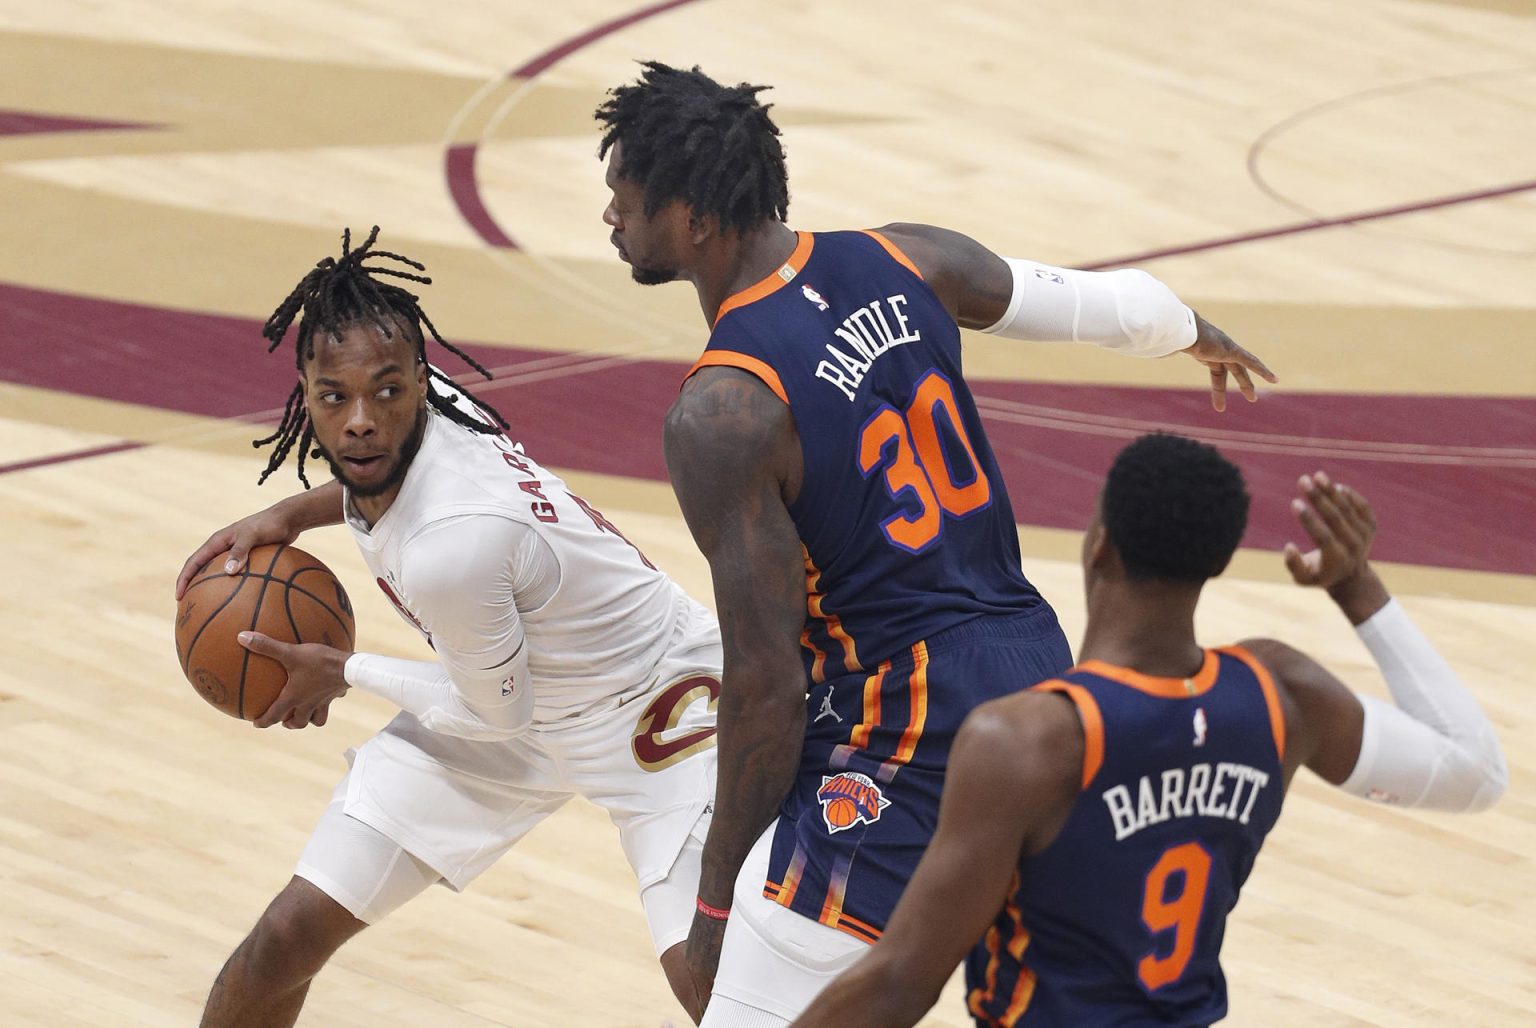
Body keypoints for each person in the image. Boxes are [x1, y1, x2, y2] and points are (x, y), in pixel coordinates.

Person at [593, 62, 1279, 1025]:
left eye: (624, 197)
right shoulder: (910, 255)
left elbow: (766, 684)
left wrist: (714, 901)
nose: (610, 217)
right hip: (1039, 681)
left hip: (905, 725)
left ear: (697, 218)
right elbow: (1094, 305)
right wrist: (1192, 331)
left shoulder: (723, 410)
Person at [174, 227, 723, 1026]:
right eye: (335, 398)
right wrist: (291, 511)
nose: (361, 421)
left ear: (423, 383)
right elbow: (374, 487)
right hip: (509, 687)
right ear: (305, 389)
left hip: (656, 709)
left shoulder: (455, 544)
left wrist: (344, 671)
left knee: (715, 986)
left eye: (387, 393)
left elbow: (495, 710)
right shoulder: (422, 421)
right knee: (285, 938)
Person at [792, 433, 1508, 1027]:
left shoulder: (1030, 740)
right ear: (1219, 561)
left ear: (1099, 545)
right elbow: (1474, 773)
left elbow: (899, 983)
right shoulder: (1279, 693)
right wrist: (1358, 588)